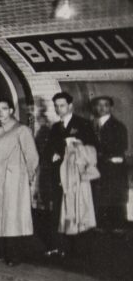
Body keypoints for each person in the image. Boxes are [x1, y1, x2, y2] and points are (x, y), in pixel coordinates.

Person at [45, 91, 97, 258]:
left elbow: (93, 147)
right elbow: (48, 150)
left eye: (62, 105)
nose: (58, 109)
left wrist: (74, 148)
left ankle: (76, 250)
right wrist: (52, 155)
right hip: (58, 176)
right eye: (56, 106)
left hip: (75, 177)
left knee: (75, 211)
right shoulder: (55, 127)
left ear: (70, 106)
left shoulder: (83, 124)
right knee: (58, 211)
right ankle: (58, 247)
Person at [0, 98, 38, 265]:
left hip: (14, 180)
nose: (0, 112)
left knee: (12, 217)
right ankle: (1, 251)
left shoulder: (21, 129)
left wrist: (29, 179)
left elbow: (32, 156)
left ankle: (14, 255)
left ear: (11, 110)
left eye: (4, 108)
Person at [92, 96, 129, 230]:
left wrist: (100, 156)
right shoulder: (92, 125)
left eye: (106, 105)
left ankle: (118, 226)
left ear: (111, 108)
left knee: (115, 197)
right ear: (95, 107)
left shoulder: (118, 126)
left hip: (113, 169)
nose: (102, 108)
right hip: (98, 168)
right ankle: (101, 225)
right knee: (99, 197)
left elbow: (120, 148)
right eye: (99, 105)